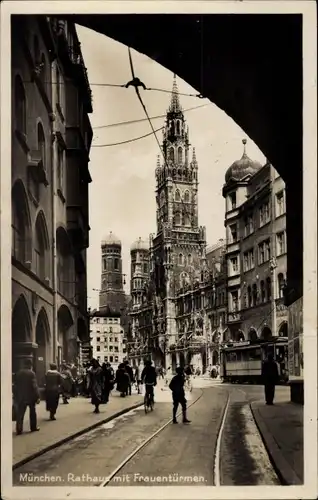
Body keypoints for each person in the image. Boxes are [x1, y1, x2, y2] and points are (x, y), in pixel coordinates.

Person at [13, 358, 40, 434]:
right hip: (31, 397)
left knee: (20, 413)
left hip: (21, 397)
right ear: (30, 365)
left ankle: (19, 429)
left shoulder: (18, 373)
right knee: (32, 412)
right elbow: (34, 386)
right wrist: (37, 396)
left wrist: (15, 396)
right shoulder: (31, 373)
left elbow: (15, 386)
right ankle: (33, 427)